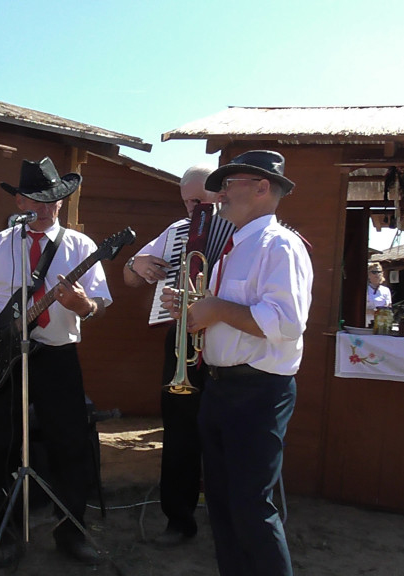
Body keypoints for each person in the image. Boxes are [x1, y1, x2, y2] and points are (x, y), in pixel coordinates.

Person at [167, 150, 312, 576]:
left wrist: (217, 310)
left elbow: (287, 323)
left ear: (262, 188)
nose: (221, 193)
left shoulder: (281, 246)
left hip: (259, 392)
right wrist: (192, 314)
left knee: (250, 507)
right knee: (222, 505)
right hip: (221, 387)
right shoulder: (233, 247)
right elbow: (223, 318)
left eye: (231, 184)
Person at [0, 157, 111, 566]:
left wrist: (84, 304)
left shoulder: (81, 247)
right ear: (20, 199)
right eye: (37, 201)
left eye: (54, 202)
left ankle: (71, 533)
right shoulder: (0, 243)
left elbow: (99, 304)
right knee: (3, 446)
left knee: (70, 445)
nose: (46, 210)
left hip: (58, 356)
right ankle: (5, 535)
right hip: (5, 356)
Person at [122, 163, 234, 546]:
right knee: (180, 434)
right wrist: (134, 264)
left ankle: (231, 525)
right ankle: (179, 520)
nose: (194, 209)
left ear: (220, 195)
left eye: (201, 200)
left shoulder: (243, 232)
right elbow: (131, 277)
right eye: (188, 201)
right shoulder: (176, 232)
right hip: (181, 340)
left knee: (224, 435)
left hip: (228, 343)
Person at [365, 262, 392, 327]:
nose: (377, 274)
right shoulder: (363, 289)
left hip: (381, 325)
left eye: (379, 272)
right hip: (365, 324)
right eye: (374, 272)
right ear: (368, 274)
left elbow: (388, 308)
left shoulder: (386, 290)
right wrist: (373, 312)